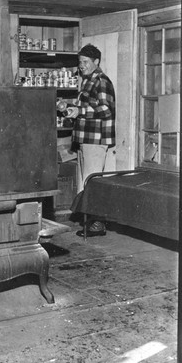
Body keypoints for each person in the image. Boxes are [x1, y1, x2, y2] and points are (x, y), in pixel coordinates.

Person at [67, 44, 116, 237]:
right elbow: (89, 108)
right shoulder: (88, 81)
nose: (82, 66)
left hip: (96, 139)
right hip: (86, 138)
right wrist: (74, 109)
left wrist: (80, 111)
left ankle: (97, 225)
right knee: (87, 182)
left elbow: (106, 110)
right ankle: (91, 222)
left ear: (96, 62)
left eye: (85, 62)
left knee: (93, 181)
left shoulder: (101, 81)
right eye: (80, 62)